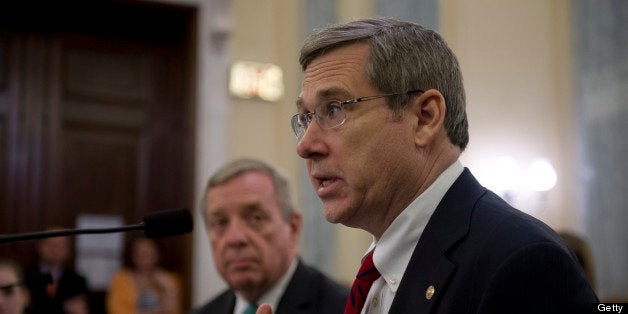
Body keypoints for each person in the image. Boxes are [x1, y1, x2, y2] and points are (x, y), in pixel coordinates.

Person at [284, 17, 599, 314]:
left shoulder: (521, 262)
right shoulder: (380, 268)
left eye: (335, 109)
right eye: (307, 117)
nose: (305, 146)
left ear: (425, 118)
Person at [190, 158, 348, 314]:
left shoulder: (348, 308)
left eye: (256, 218)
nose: (235, 238)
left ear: (293, 228)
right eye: (220, 223)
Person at [107, 235, 182, 314]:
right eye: (140, 252)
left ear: (158, 253)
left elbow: (175, 311)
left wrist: (169, 289)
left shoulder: (171, 279)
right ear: (132, 255)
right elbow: (115, 310)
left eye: (149, 252)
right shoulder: (121, 278)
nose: (145, 256)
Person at [25, 230, 90, 314]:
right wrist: (62, 306)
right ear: (40, 246)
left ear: (68, 250)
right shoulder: (25, 276)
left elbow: (78, 309)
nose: (55, 250)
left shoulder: (77, 281)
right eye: (51, 244)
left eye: (61, 246)